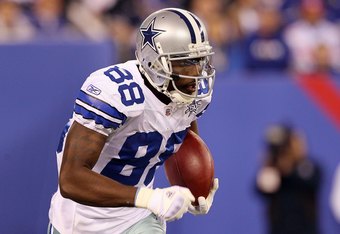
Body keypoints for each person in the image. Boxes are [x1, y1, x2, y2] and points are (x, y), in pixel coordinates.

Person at [48, 8, 219, 234]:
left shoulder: (192, 93)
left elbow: (182, 137)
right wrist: (150, 198)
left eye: (199, 59)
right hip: (80, 219)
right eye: (185, 61)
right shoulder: (115, 92)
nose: (196, 72)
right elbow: (71, 179)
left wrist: (190, 188)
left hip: (136, 218)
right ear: (154, 62)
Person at [255, 123, 321, 234]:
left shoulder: (309, 167)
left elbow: (312, 180)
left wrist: (289, 166)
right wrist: (271, 165)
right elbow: (262, 188)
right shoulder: (272, 170)